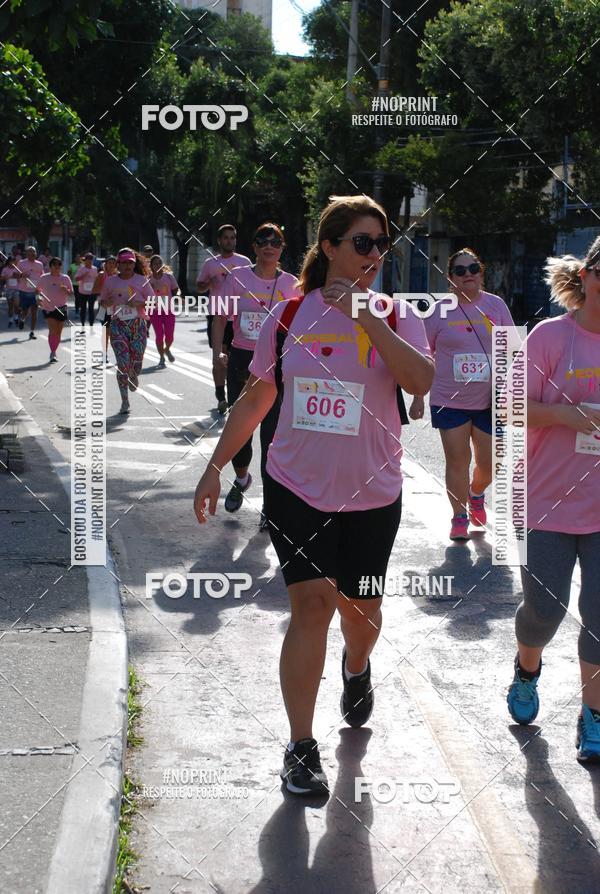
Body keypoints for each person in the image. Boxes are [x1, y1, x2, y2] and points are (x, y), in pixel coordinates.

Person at [194, 195, 434, 795]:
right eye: (362, 242)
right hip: (296, 487)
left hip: (373, 493)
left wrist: (368, 317)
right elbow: (255, 398)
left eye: (382, 244)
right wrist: (216, 465)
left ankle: (358, 667)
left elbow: (422, 381)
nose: (375, 254)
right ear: (329, 247)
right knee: (311, 609)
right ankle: (301, 747)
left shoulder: (397, 314)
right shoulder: (290, 314)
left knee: (363, 612)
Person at [506, 238, 600, 761]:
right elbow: (510, 407)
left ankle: (594, 716)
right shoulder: (548, 336)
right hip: (547, 502)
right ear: (586, 275)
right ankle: (526, 668)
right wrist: (572, 415)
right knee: (545, 611)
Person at [410, 248, 515, 541]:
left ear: (481, 272)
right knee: (457, 460)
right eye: (460, 270)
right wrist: (418, 395)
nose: (468, 274)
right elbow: (422, 353)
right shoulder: (438, 311)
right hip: (448, 399)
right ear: (450, 277)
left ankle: (476, 493)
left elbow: (513, 350)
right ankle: (458, 517)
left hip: (489, 401)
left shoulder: (496, 306)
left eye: (473, 269)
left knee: (491, 462)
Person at [211, 223, 301, 522]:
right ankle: (241, 479)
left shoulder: (291, 284)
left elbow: (304, 327)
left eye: (275, 241)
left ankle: (270, 505)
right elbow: (221, 318)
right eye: (262, 240)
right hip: (242, 360)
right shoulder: (236, 278)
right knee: (242, 433)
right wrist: (217, 355)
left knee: (272, 437)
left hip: (278, 363)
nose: (269, 245)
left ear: (282, 247)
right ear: (254, 246)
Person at [196, 225, 251, 413]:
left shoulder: (244, 262)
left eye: (233, 238)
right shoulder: (210, 264)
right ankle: (221, 396)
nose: (230, 241)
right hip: (217, 315)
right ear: (219, 241)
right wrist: (209, 283)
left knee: (235, 359)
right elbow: (199, 287)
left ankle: (237, 395)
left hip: (238, 316)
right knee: (219, 359)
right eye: (226, 238)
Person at [99, 247, 154, 415]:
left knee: (137, 362)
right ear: (118, 265)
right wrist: (107, 302)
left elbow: (153, 302)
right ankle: (125, 402)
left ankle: (134, 372)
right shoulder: (110, 281)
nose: (128, 266)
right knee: (122, 365)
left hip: (138, 324)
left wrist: (139, 304)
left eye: (131, 263)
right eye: (125, 263)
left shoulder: (142, 280)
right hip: (118, 325)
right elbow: (102, 302)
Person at [36, 258, 73, 362]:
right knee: (52, 330)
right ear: (50, 266)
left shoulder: (65, 278)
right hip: (48, 308)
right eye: (54, 265)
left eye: (59, 265)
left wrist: (66, 290)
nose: (57, 267)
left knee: (58, 332)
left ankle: (54, 349)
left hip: (62, 307)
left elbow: (71, 293)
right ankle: (53, 353)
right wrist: (38, 298)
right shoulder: (44, 278)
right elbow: (37, 291)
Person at [148, 254, 179, 367]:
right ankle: (161, 357)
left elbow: (176, 289)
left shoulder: (169, 277)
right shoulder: (148, 279)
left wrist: (173, 297)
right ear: (151, 266)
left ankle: (167, 349)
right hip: (154, 311)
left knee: (170, 336)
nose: (158, 265)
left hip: (168, 310)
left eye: (159, 263)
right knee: (159, 335)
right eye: (155, 263)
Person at [93, 256, 117, 365]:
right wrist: (103, 296)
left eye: (113, 263)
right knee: (106, 332)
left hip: (117, 307)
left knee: (116, 333)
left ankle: (120, 355)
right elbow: (94, 290)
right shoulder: (102, 275)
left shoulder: (118, 276)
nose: (111, 265)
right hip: (105, 306)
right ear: (106, 264)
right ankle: (104, 354)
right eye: (109, 263)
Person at [16, 246, 44, 339]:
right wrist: (21, 274)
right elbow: (14, 274)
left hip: (35, 291)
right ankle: (22, 320)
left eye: (34, 252)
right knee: (25, 311)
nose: (33, 254)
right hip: (24, 291)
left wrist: (43, 288)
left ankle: (32, 332)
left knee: (34, 312)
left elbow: (42, 276)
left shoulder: (40, 264)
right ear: (26, 254)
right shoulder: (21, 263)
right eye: (30, 252)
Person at [75, 252, 99, 328]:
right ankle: (83, 325)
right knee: (83, 309)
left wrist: (97, 290)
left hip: (92, 292)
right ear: (85, 260)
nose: (89, 261)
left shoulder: (95, 269)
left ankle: (91, 325)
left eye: (91, 260)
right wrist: (84, 275)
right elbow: (76, 278)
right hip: (82, 292)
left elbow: (97, 279)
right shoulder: (81, 268)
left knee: (91, 309)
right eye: (88, 259)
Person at [1, 257, 21, 327]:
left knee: (17, 305)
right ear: (9, 262)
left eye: (14, 261)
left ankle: (16, 318)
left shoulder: (17, 269)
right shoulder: (5, 269)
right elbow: (2, 278)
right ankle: (10, 320)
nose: (13, 263)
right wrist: (10, 276)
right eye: (12, 261)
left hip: (16, 289)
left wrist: (18, 276)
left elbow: (21, 277)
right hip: (8, 289)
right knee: (10, 306)